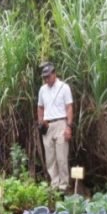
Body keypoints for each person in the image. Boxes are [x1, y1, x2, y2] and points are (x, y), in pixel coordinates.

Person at [37, 62, 73, 191]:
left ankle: (63, 187)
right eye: (44, 77)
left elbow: (69, 107)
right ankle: (54, 185)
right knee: (50, 158)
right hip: (47, 126)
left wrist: (68, 127)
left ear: (54, 73)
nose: (46, 79)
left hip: (61, 123)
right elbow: (40, 107)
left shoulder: (64, 87)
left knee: (61, 157)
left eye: (48, 76)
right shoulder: (42, 90)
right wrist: (41, 122)